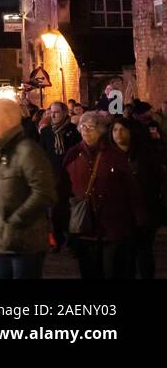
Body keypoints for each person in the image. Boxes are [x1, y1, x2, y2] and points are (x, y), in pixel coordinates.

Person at [59, 111, 143, 280]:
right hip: (85, 228)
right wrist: (60, 221)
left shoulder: (114, 155)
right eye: (82, 126)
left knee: (113, 271)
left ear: (101, 130)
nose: (86, 130)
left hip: (113, 226)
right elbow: (62, 188)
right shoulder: (73, 154)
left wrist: (139, 219)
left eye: (90, 126)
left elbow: (131, 188)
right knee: (90, 272)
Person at [0, 98, 55, 279]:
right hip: (0, 241)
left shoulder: (27, 151)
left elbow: (44, 192)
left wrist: (16, 219)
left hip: (25, 244)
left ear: (7, 119)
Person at [111, 114, 163, 279]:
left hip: (144, 209)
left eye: (122, 129)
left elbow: (155, 181)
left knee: (144, 251)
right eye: (115, 130)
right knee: (126, 254)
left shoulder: (144, 155)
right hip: (120, 213)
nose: (118, 133)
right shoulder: (108, 156)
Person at [39, 101, 81, 252]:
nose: (53, 115)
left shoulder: (73, 131)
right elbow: (42, 153)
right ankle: (56, 240)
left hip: (69, 176)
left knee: (70, 209)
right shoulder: (46, 132)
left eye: (56, 112)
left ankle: (72, 241)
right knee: (55, 211)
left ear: (64, 113)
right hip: (53, 176)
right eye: (51, 112)